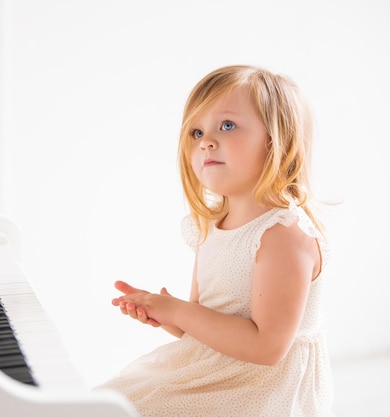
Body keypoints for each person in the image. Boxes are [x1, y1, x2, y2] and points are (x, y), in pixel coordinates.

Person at [99, 65, 334, 416]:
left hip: (262, 391)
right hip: (217, 372)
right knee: (107, 402)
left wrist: (180, 311)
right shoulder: (210, 226)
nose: (206, 141)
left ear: (276, 138)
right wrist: (163, 315)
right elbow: (208, 325)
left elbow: (268, 347)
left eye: (227, 126)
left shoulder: (283, 234)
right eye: (196, 132)